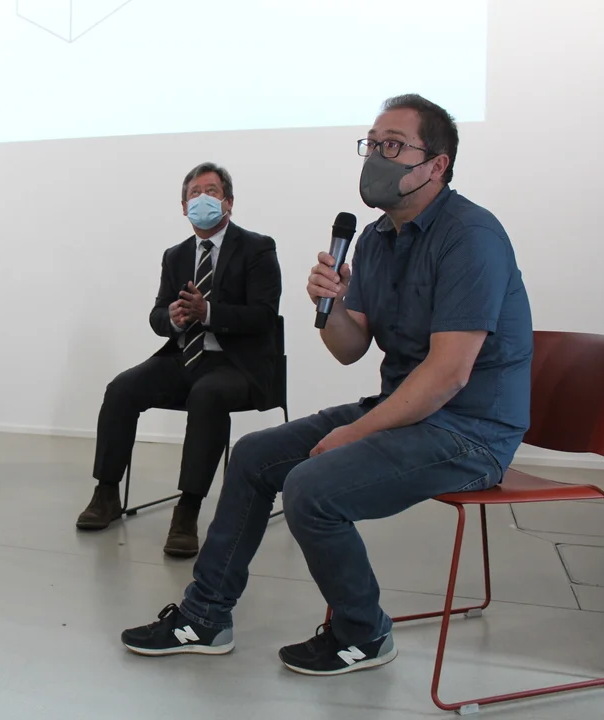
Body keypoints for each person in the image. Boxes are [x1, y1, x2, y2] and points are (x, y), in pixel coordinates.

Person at [120, 94, 533, 676]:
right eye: (372, 143)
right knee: (255, 455)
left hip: (469, 431)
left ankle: (364, 633)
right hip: (405, 411)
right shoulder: (375, 239)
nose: (376, 156)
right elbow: (349, 347)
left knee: (311, 488)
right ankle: (204, 616)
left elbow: (448, 374)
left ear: (437, 165)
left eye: (394, 145)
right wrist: (330, 305)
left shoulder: (471, 236)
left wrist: (355, 434)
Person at [76, 162, 283, 558]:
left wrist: (209, 313)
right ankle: (106, 493)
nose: (202, 198)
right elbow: (157, 316)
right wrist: (172, 318)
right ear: (184, 207)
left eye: (211, 191)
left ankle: (187, 511)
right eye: (194, 193)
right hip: (185, 357)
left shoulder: (257, 248)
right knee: (121, 389)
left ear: (229, 202)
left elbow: (264, 316)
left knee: (208, 395)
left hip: (237, 365)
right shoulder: (175, 255)